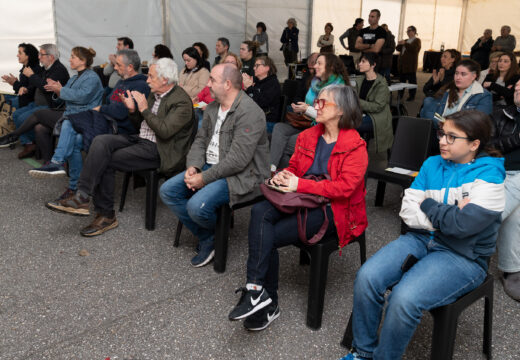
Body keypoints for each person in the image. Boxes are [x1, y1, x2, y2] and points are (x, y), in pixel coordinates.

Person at [341, 109, 505, 360]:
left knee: (403, 298)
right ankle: (363, 352)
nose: (441, 141)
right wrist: (448, 217)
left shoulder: (490, 176)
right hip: (420, 239)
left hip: (462, 256)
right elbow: (407, 211)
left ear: (474, 144)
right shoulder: (431, 164)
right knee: (367, 277)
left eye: (452, 137)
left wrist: (428, 204)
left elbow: (462, 227)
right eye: (442, 134)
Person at [228, 84, 368, 331]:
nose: (316, 106)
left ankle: (266, 302)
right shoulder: (308, 136)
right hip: (303, 198)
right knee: (260, 212)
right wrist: (283, 177)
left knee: (265, 236)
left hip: (334, 211)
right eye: (317, 101)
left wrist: (298, 184)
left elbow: (344, 189)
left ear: (341, 111)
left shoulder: (356, 146)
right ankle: (256, 291)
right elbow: (294, 167)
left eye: (323, 103)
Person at [44, 58, 195, 237]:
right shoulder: (156, 93)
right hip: (142, 139)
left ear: (165, 80)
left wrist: (144, 109)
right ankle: (83, 195)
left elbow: (165, 132)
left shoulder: (181, 102)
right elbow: (141, 124)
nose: (147, 80)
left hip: (161, 149)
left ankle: (105, 214)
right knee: (100, 141)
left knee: (105, 159)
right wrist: (133, 111)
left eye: (151, 77)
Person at [159, 64, 270, 267]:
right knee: (167, 191)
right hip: (211, 166)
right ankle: (209, 236)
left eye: (212, 80)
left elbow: (238, 160)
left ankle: (212, 236)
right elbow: (200, 141)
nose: (207, 84)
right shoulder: (212, 107)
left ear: (227, 84)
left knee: (196, 206)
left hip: (242, 174)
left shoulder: (249, 112)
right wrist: (193, 166)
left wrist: (204, 178)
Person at [29, 49, 150, 207]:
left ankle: (58, 163)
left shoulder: (139, 85)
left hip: (118, 128)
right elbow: (109, 105)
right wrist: (60, 90)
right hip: (104, 121)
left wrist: (100, 109)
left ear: (130, 67)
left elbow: (120, 113)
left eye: (119, 65)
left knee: (63, 121)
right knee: (72, 137)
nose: (115, 68)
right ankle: (75, 188)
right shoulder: (121, 82)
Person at [0, 47, 103, 162]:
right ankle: (49, 162)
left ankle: (13, 135)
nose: (69, 60)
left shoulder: (92, 77)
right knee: (40, 128)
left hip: (81, 116)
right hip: (69, 112)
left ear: (83, 61)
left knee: (38, 113)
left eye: (73, 57)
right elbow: (61, 99)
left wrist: (60, 90)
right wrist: (57, 90)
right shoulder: (74, 77)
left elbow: (82, 97)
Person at [270, 53, 349, 171]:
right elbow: (312, 106)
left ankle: (283, 175)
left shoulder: (337, 87)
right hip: (308, 123)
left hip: (324, 129)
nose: (314, 65)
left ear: (330, 67)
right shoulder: (315, 83)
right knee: (279, 128)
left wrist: (306, 109)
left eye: (319, 63)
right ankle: (272, 170)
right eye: (315, 62)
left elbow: (328, 116)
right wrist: (301, 109)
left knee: (286, 144)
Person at [10, 44, 70, 159]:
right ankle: (30, 143)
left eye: (41, 55)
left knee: (23, 118)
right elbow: (34, 84)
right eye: (39, 54)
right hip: (38, 104)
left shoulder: (59, 70)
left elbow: (45, 87)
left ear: (51, 57)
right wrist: (25, 87)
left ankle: (34, 143)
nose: (39, 57)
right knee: (17, 114)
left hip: (50, 106)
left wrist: (31, 75)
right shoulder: (46, 68)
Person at [489, 80, 520, 302]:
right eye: (517, 87)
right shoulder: (501, 114)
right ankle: (512, 272)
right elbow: (490, 145)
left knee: (503, 213)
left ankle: (478, 225)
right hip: (499, 172)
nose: (517, 89)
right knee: (514, 216)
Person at [420, 59, 493, 122]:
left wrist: (449, 125)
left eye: (463, 74)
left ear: (473, 76)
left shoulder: (483, 95)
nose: (458, 77)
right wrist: (443, 122)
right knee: (427, 104)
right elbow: (435, 114)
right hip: (441, 131)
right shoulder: (448, 90)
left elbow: (477, 123)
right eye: (456, 73)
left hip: (463, 136)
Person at [355, 52, 393, 154]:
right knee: (342, 121)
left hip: (377, 117)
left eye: (363, 61)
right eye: (360, 61)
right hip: (362, 114)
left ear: (373, 65)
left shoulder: (381, 83)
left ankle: (358, 155)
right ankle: (354, 153)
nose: (360, 64)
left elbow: (378, 107)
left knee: (352, 124)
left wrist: (357, 102)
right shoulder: (360, 80)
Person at [243, 56, 281, 132]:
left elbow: (262, 103)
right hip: (255, 118)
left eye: (257, 65)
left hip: (267, 120)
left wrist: (250, 88)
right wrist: (247, 89)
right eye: (254, 65)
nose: (254, 68)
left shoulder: (272, 83)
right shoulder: (257, 82)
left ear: (267, 68)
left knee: (241, 129)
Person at [1, 43, 42, 110]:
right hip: (21, 99)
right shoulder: (25, 68)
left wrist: (15, 83)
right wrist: (14, 82)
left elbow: (29, 92)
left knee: (3, 104)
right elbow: (22, 88)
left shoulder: (35, 70)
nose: (17, 55)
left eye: (20, 53)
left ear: (28, 56)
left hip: (27, 103)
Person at [396, 26, 421, 101]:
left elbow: (414, 49)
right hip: (402, 65)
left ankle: (411, 96)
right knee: (401, 82)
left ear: (414, 31)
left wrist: (405, 43)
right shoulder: (406, 40)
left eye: (409, 31)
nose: (408, 32)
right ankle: (400, 95)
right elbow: (397, 49)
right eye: (407, 31)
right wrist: (400, 44)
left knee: (412, 82)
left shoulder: (417, 40)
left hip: (410, 66)